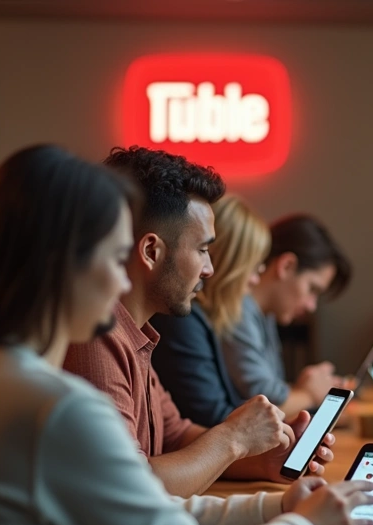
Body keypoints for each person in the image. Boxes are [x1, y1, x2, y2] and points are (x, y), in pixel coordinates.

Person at [0, 143, 373, 525]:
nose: (120, 279)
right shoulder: (55, 409)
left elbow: (139, 503)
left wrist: (273, 507)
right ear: (64, 264)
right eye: (114, 257)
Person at [62, 147, 335, 500]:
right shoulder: (97, 337)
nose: (209, 269)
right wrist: (234, 438)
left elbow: (178, 436)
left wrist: (264, 460)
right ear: (150, 252)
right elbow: (132, 488)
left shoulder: (137, 333)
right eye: (203, 250)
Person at [150, 194, 271, 426]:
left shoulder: (207, 317)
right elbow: (212, 418)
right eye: (253, 266)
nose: (256, 279)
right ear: (232, 265)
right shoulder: (183, 320)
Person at [221, 213, 352, 417]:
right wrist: (311, 393)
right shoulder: (238, 309)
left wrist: (305, 389)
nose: (311, 305)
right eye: (312, 289)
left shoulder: (265, 315)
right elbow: (264, 399)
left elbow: (273, 392)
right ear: (287, 266)